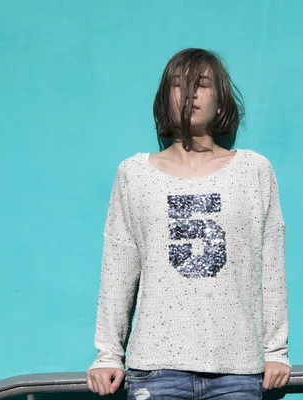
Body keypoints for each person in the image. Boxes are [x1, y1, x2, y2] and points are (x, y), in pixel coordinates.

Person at [86, 48, 291, 399]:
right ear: (165, 99)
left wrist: (275, 350)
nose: (191, 92)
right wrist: (108, 354)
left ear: (221, 103)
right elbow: (119, 266)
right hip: (156, 369)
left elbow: (269, 264)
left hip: (237, 370)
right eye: (179, 84)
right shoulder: (134, 175)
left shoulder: (254, 171)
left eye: (203, 84)